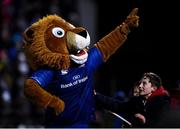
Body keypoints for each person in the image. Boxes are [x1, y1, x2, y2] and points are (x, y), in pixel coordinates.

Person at [94, 72, 171, 127]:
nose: (140, 86)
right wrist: (97, 96)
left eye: (144, 83)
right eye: (140, 83)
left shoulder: (164, 103)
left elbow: (165, 124)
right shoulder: (137, 101)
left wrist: (145, 121)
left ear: (153, 88)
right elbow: (117, 105)